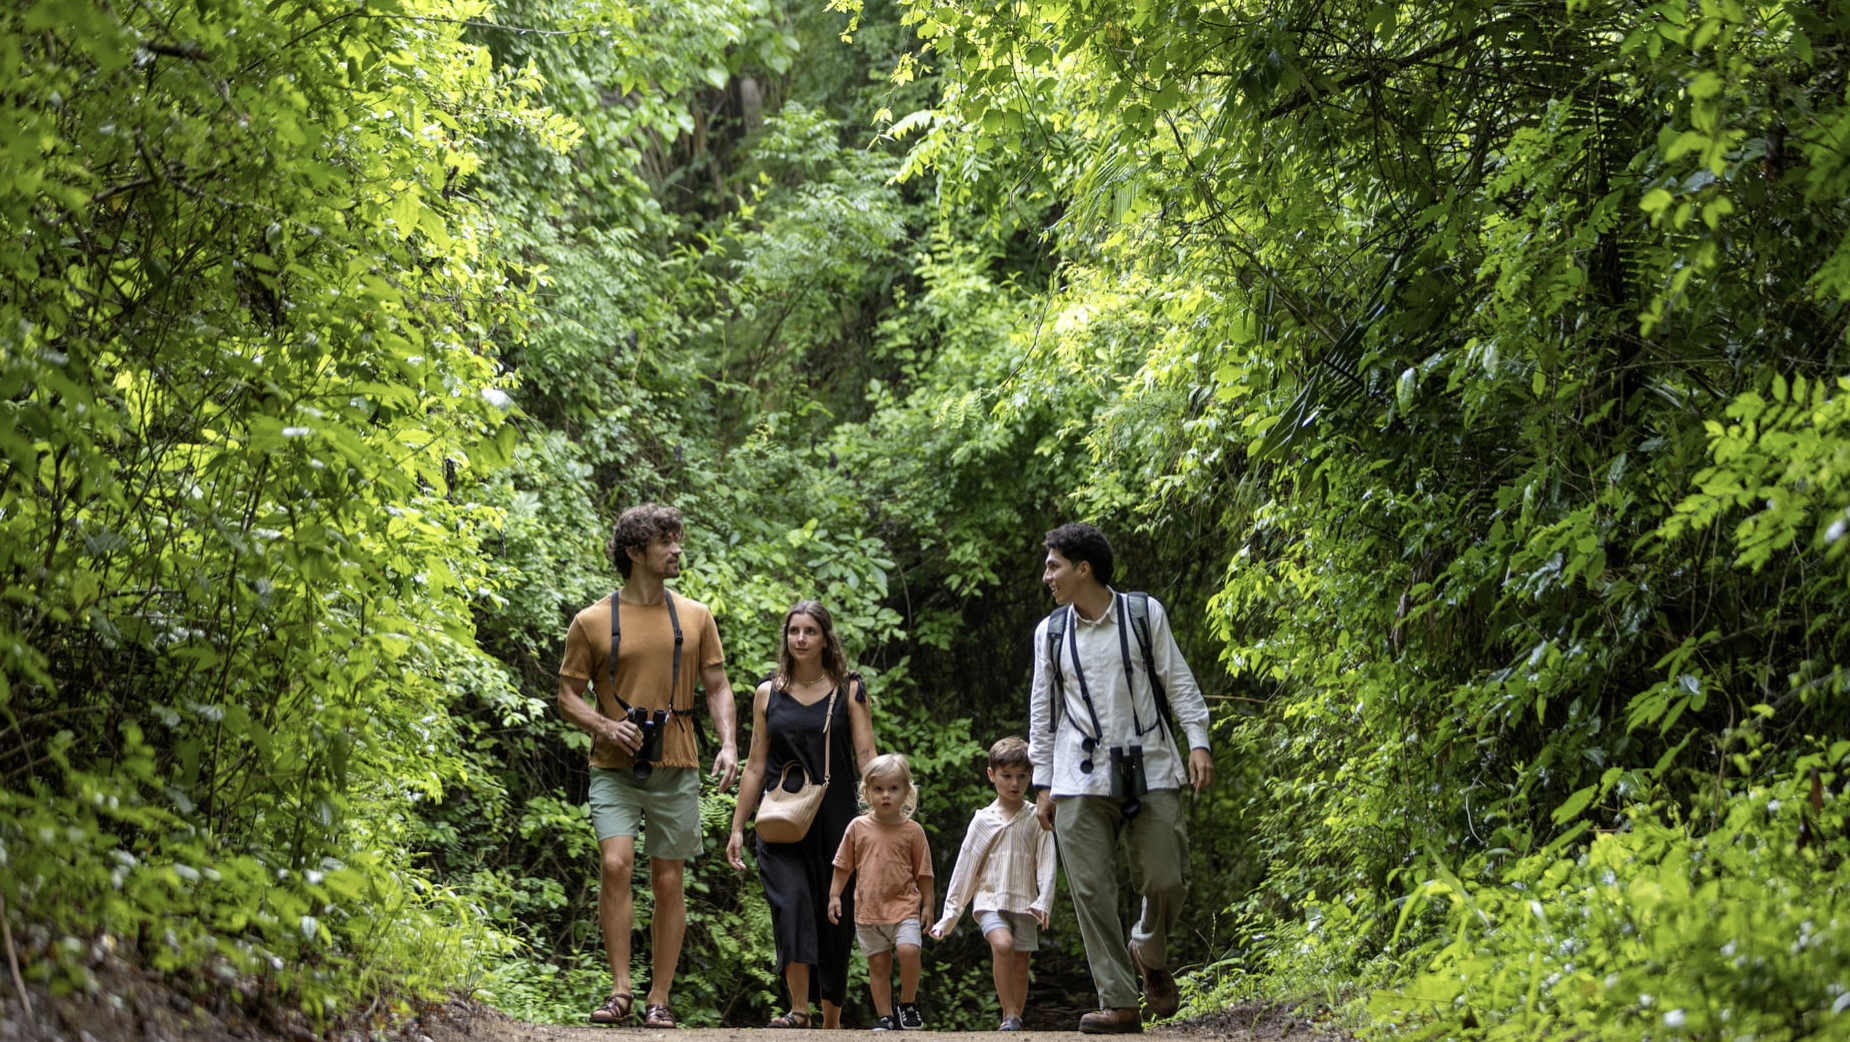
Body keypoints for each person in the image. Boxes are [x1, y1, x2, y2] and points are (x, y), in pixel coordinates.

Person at [556, 503, 741, 1029]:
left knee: (668, 879)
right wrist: (605, 725)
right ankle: (620, 991)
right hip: (614, 766)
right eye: (666, 542)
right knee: (615, 864)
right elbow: (568, 695)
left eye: (677, 539)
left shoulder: (696, 616)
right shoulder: (591, 621)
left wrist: (728, 743)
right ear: (636, 552)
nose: (677, 549)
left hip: (677, 763)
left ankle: (660, 995)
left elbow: (718, 687)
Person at [1029, 522, 1214, 1034]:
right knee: (1091, 891)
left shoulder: (1141, 613)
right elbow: (1042, 713)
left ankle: (1149, 949)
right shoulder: (1050, 632)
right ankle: (1119, 1003)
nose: (1047, 576)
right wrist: (1043, 784)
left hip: (1150, 764)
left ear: (1082, 568)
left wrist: (1197, 740)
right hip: (1077, 777)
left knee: (1167, 877)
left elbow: (1176, 679)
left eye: (1054, 565)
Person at [727, 600, 878, 1029]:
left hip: (836, 820)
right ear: (786, 637)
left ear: (825, 637)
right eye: (794, 631)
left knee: (834, 916)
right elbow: (755, 763)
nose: (801, 639)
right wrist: (738, 826)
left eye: (810, 631)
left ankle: (830, 1021)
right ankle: (798, 1010)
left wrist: (883, 811)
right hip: (781, 819)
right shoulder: (767, 692)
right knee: (791, 905)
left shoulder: (849, 688)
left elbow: (866, 754)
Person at [928, 736, 1056, 1032]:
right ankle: (1009, 1014)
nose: (1014, 783)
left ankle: (1014, 1021)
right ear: (991, 775)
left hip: (1025, 902)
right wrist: (950, 915)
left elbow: (1048, 860)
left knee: (1021, 962)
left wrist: (1044, 901)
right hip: (988, 902)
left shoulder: (1036, 817)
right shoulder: (983, 820)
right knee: (1003, 944)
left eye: (1022, 776)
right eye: (1006, 776)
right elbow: (965, 868)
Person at [829, 754, 934, 1032]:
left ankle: (907, 1004)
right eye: (878, 789)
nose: (885, 795)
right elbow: (843, 866)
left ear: (907, 792)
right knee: (878, 964)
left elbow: (924, 873)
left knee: (909, 950)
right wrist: (834, 896)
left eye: (893, 789)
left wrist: (929, 906)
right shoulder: (857, 828)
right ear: (867, 792)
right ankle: (886, 1016)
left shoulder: (913, 832)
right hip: (868, 911)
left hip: (904, 908)